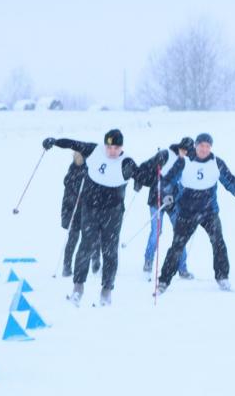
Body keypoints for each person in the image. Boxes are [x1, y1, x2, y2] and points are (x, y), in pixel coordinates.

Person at [43, 129, 156, 306]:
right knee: (86, 246)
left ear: (121, 147)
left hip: (113, 211)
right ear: (105, 145)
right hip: (90, 208)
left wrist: (154, 174)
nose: (112, 151)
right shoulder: (94, 151)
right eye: (109, 147)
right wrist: (55, 141)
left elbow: (144, 178)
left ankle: (106, 291)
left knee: (110, 250)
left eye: (116, 148)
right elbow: (72, 143)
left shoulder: (126, 162)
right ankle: (78, 287)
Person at [156, 133, 235, 293]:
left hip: (209, 210)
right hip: (187, 212)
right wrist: (167, 194)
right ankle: (164, 281)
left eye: (207, 146)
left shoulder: (216, 162)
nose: (204, 149)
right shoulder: (184, 161)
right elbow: (167, 180)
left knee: (218, 242)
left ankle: (222, 276)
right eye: (201, 146)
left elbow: (228, 178)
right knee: (177, 246)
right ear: (195, 146)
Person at [135, 136, 193, 279]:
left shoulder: (187, 162)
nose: (184, 153)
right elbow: (147, 166)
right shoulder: (166, 154)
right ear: (179, 147)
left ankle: (182, 268)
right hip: (157, 199)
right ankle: (148, 261)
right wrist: (139, 180)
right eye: (182, 149)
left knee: (180, 233)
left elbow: (186, 183)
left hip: (174, 202)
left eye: (187, 151)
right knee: (156, 231)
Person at [60, 150, 99, 277]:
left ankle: (95, 261)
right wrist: (66, 215)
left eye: (80, 156)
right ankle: (67, 265)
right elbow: (66, 195)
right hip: (73, 211)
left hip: (87, 211)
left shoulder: (90, 170)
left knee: (92, 237)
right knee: (72, 239)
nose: (78, 159)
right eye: (75, 156)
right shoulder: (71, 171)